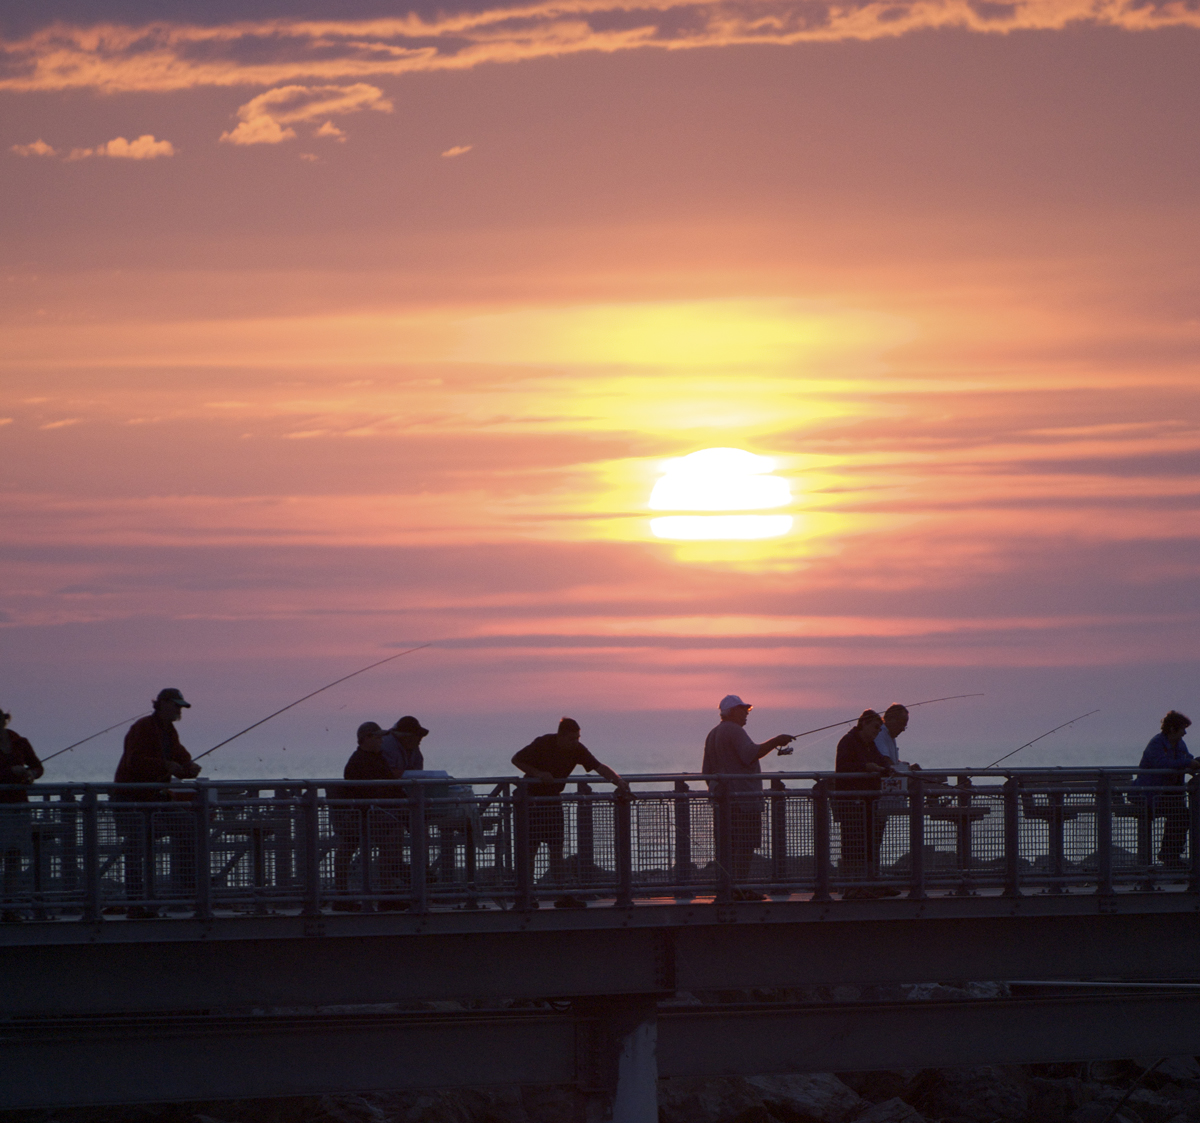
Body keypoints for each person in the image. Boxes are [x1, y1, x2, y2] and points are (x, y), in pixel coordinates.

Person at [511, 717, 630, 909]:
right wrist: (538, 773)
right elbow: (516, 759)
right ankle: (527, 896)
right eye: (572, 739)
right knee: (529, 850)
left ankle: (562, 895)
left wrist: (618, 780)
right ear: (561, 736)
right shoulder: (543, 743)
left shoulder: (578, 749)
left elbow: (599, 767)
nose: (576, 742)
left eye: (578, 738)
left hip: (553, 800)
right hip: (531, 801)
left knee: (557, 849)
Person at [113, 689, 202, 918]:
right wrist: (166, 766)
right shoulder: (143, 727)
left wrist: (189, 767)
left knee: (189, 825)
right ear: (161, 704)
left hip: (156, 799)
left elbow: (180, 755)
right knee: (136, 849)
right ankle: (135, 903)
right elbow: (135, 762)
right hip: (131, 800)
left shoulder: (169, 731)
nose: (179, 710)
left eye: (180, 707)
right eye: (175, 705)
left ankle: (187, 885)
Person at [701, 695, 795, 902]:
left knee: (727, 847)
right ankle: (739, 889)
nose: (746, 714)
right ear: (732, 711)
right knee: (744, 846)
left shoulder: (713, 733)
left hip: (724, 802)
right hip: (744, 802)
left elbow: (706, 770)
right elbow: (750, 754)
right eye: (743, 710)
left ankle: (727, 888)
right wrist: (776, 741)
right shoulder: (734, 730)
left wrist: (718, 792)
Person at [332, 721, 407, 911]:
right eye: (377, 737)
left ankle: (384, 891)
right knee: (393, 834)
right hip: (361, 816)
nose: (382, 741)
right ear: (366, 739)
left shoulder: (376, 758)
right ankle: (385, 893)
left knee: (348, 847)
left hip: (369, 815)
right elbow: (371, 790)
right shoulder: (359, 761)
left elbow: (390, 787)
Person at [834, 709, 898, 899]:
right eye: (875, 727)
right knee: (853, 844)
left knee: (870, 844)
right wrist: (865, 767)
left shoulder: (870, 745)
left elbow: (881, 762)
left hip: (870, 802)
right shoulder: (848, 741)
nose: (877, 732)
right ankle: (852, 887)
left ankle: (870, 883)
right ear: (864, 724)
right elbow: (844, 767)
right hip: (851, 802)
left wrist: (888, 769)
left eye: (880, 729)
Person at [1133, 710, 1199, 869]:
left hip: (1171, 795)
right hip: (1150, 795)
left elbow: (1186, 759)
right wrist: (1187, 764)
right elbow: (1161, 763)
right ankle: (1169, 856)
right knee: (1180, 814)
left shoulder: (1180, 744)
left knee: (1183, 816)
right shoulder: (1156, 743)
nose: (1185, 732)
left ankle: (1171, 855)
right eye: (1183, 728)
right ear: (1172, 728)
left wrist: (1193, 762)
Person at [0, 709, 44, 923]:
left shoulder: (20, 742)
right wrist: (12, 772)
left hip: (18, 807)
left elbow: (37, 766)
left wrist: (30, 774)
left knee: (14, 857)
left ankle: (9, 907)